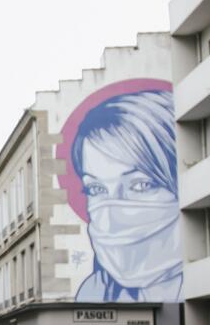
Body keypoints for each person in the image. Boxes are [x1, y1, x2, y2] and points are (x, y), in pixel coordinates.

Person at [70, 89, 181, 302]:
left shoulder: (207, 283)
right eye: (96, 189)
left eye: (140, 185)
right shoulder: (93, 292)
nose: (113, 214)